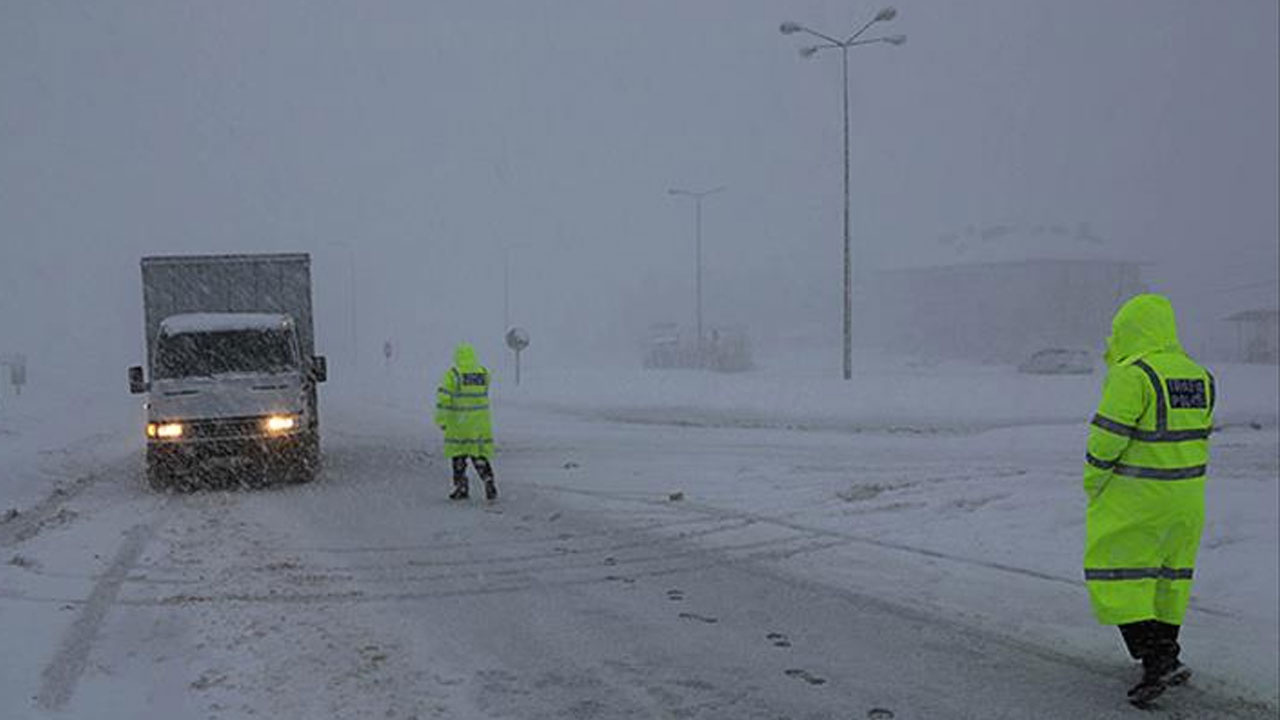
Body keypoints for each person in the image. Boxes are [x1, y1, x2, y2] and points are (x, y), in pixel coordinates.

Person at [1083, 294, 1214, 706]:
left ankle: (1154, 657)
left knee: (1117, 575)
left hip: (1138, 497)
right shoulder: (1198, 375)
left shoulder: (1132, 375)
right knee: (1168, 578)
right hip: (1187, 499)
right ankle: (1168, 652)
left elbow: (1107, 439)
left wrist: (1093, 480)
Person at [434, 342, 497, 501]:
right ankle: (488, 481)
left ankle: (461, 487)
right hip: (480, 424)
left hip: (460, 424)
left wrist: (441, 419)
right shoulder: (483, 373)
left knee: (459, 456)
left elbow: (444, 398)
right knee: (479, 455)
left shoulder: (453, 375)